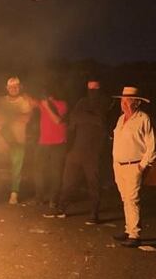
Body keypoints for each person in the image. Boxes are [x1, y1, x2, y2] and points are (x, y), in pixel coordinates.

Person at [45, 80, 109, 224]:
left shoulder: (105, 102)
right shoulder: (82, 101)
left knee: (93, 183)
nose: (92, 91)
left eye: (95, 88)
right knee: (68, 181)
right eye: (89, 88)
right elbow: (73, 119)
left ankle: (94, 213)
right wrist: (88, 118)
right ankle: (61, 208)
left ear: (100, 88)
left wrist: (83, 117)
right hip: (76, 149)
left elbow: (101, 121)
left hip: (93, 151)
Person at [110, 86, 156, 247]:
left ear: (136, 103)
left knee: (132, 199)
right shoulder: (120, 119)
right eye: (122, 101)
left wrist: (142, 166)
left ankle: (135, 235)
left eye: (127, 101)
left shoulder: (143, 119)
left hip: (133, 165)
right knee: (125, 199)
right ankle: (128, 229)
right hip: (119, 165)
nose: (123, 104)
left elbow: (152, 146)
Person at [0, 76, 34, 205]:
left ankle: (14, 194)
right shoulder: (1, 101)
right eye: (11, 87)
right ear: (7, 88)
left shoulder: (24, 101)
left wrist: (8, 116)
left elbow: (26, 118)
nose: (13, 89)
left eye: (16, 86)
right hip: (1, 141)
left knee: (16, 168)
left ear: (20, 87)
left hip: (18, 140)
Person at [31, 86, 68, 209]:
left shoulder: (62, 105)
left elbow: (57, 120)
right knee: (38, 170)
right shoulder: (43, 104)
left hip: (58, 144)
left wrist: (47, 106)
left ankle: (53, 199)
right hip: (44, 143)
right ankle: (39, 197)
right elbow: (32, 103)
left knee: (56, 172)